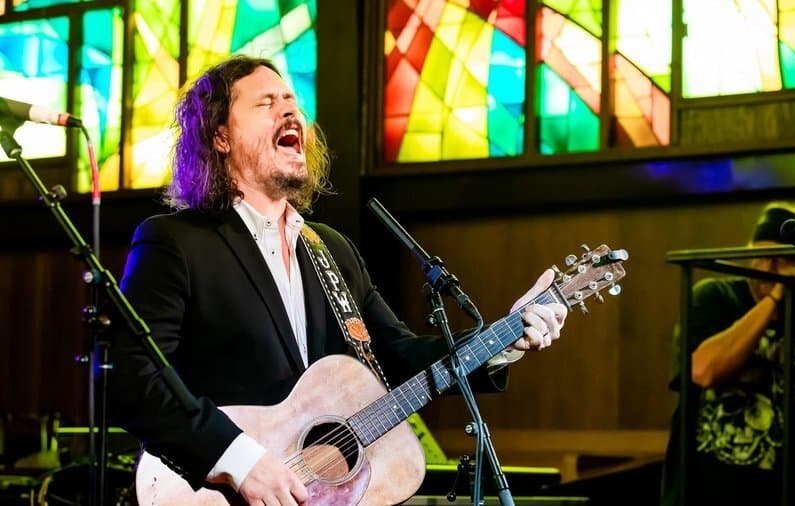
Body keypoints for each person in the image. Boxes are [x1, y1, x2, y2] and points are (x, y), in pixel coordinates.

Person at [107, 55, 568, 505]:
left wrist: (504, 337)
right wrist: (239, 459)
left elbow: (402, 359)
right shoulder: (176, 242)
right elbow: (134, 377)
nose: (290, 110)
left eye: (292, 100)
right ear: (221, 136)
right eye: (266, 103)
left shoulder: (332, 250)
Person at [660, 202, 795, 506]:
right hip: (704, 493)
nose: (766, 269)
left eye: (779, 259)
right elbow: (704, 371)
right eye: (759, 256)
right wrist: (774, 300)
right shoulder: (716, 297)